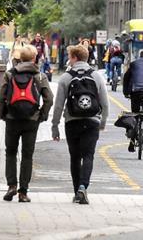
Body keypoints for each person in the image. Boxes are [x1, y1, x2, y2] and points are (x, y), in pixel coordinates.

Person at [52, 44, 109, 205]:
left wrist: (55, 126)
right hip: (92, 121)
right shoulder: (96, 76)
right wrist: (102, 122)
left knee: (75, 158)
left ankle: (77, 190)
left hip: (72, 122)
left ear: (75, 57)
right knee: (88, 155)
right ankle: (83, 187)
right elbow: (105, 103)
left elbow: (58, 105)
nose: (69, 60)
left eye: (70, 57)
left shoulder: (66, 77)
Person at [0, 44, 54, 202]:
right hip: (31, 120)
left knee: (10, 153)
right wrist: (42, 115)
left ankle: (11, 186)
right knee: (27, 155)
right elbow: (49, 98)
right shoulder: (39, 76)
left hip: (12, 119)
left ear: (19, 58)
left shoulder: (10, 74)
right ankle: (23, 192)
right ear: (34, 58)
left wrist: (3, 114)